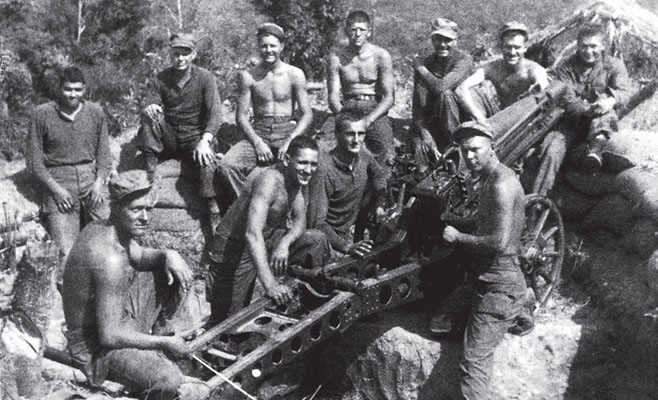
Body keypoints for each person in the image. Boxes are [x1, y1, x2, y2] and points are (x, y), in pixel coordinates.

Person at [62, 170, 209, 400]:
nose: (145, 217)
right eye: (136, 209)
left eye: (148, 209)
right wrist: (165, 342)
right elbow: (108, 338)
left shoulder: (108, 228)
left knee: (167, 268)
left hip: (111, 323)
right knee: (168, 380)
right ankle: (157, 357)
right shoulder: (108, 258)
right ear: (117, 208)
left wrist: (168, 254)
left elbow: (140, 257)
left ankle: (157, 348)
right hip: (95, 349)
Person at [434, 122, 528, 400]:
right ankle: (522, 303)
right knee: (439, 322)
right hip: (484, 278)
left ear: (492, 148)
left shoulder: (500, 185)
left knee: (472, 362)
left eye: (476, 150)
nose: (470, 157)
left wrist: (458, 236)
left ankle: (516, 304)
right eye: (465, 151)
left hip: (497, 283)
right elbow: (490, 221)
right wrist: (461, 220)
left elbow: (498, 242)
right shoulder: (494, 177)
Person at [207, 136, 329, 325]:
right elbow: (251, 233)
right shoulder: (270, 180)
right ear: (287, 160)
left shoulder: (298, 179)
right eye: (303, 163)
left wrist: (284, 244)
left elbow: (300, 222)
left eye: (313, 164)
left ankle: (306, 304)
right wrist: (270, 284)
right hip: (234, 248)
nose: (308, 170)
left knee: (315, 240)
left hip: (265, 240)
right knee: (229, 323)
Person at [27, 66, 111, 272]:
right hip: (59, 181)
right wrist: (56, 191)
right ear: (59, 89)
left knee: (110, 239)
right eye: (68, 89)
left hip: (90, 179)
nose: (73, 94)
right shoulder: (42, 114)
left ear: (85, 90)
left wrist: (99, 183)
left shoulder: (95, 112)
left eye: (78, 89)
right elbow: (34, 162)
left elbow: (104, 155)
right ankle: (69, 299)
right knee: (66, 252)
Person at [532, 24, 633, 194]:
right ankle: (538, 200)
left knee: (605, 109)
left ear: (602, 46)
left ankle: (595, 151)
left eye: (593, 46)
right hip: (572, 122)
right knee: (552, 149)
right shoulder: (566, 67)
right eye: (584, 46)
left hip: (602, 122)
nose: (588, 51)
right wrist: (587, 110)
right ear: (577, 46)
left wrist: (611, 100)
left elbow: (626, 92)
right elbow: (567, 100)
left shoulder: (614, 65)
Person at [218, 23, 313, 202]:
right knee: (227, 165)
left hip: (286, 130)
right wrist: (257, 142)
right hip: (259, 130)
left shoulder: (295, 74)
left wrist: (290, 141)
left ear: (281, 47)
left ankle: (300, 216)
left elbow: (307, 114)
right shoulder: (249, 77)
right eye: (264, 46)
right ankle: (249, 208)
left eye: (273, 46)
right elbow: (241, 116)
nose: (268, 50)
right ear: (259, 47)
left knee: (310, 165)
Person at [137, 32, 222, 217]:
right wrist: (150, 106)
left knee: (208, 162)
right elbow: (149, 100)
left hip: (194, 136)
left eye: (185, 53)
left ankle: (212, 205)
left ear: (194, 54)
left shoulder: (205, 78)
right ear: (170, 54)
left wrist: (205, 140)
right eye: (176, 53)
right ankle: (150, 170)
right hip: (170, 137)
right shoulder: (161, 78)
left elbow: (215, 114)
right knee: (150, 116)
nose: (180, 58)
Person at [307, 113, 388, 258]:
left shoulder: (363, 156)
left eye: (361, 134)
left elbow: (379, 176)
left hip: (350, 228)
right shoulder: (324, 170)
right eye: (350, 134)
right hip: (330, 238)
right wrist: (346, 246)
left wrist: (380, 204)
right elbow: (317, 223)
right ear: (337, 135)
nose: (356, 140)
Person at [326, 10, 395, 169]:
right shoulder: (336, 57)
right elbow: (333, 97)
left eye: (362, 30)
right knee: (322, 148)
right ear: (346, 30)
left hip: (373, 108)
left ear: (369, 32)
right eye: (353, 29)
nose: (357, 34)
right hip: (346, 107)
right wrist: (345, 118)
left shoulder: (381, 56)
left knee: (385, 151)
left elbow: (389, 97)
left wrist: (368, 120)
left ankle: (380, 191)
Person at [456, 22, 548, 127]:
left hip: (527, 121)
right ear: (501, 47)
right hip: (501, 119)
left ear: (525, 47)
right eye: (508, 47)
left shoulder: (534, 70)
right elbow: (462, 88)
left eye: (517, 47)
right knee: (472, 91)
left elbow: (545, 93)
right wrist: (478, 116)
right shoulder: (493, 68)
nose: (512, 52)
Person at [412, 17, 473, 162]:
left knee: (446, 95)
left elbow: (441, 87)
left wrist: (421, 69)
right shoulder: (428, 63)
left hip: (462, 120)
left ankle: (457, 145)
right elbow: (418, 105)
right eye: (438, 39)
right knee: (418, 150)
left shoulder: (464, 60)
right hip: (435, 120)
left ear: (455, 41)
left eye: (448, 40)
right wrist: (425, 133)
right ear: (432, 41)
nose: (443, 45)